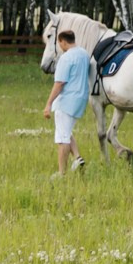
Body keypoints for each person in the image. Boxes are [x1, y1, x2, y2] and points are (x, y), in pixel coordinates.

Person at [43, 26, 93, 177]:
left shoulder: (66, 58)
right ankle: (77, 158)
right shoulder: (84, 54)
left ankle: (61, 173)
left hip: (67, 100)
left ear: (62, 42)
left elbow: (59, 83)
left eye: (59, 44)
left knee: (62, 137)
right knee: (66, 130)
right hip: (81, 98)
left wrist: (48, 104)